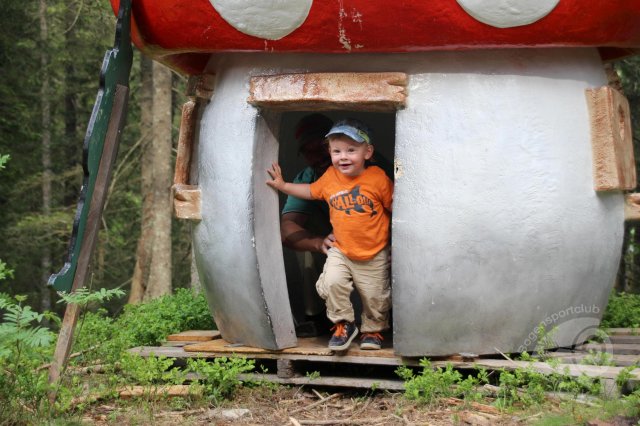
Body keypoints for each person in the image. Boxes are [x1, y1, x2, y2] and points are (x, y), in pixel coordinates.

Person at [267, 118, 393, 351]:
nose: (341, 156)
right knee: (331, 280)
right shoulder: (320, 177)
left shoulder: (377, 174)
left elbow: (399, 209)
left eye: (350, 150)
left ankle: (374, 329)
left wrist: (398, 245)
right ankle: (336, 323)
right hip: (341, 247)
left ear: (367, 153)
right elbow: (290, 222)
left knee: (376, 294)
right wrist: (317, 242)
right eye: (335, 151)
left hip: (375, 247)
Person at [280, 114, 335, 336]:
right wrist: (318, 243)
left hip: (372, 241)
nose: (318, 157)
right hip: (334, 244)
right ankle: (318, 318)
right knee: (303, 239)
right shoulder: (308, 178)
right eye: (308, 151)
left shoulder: (371, 169)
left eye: (322, 147)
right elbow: (287, 227)